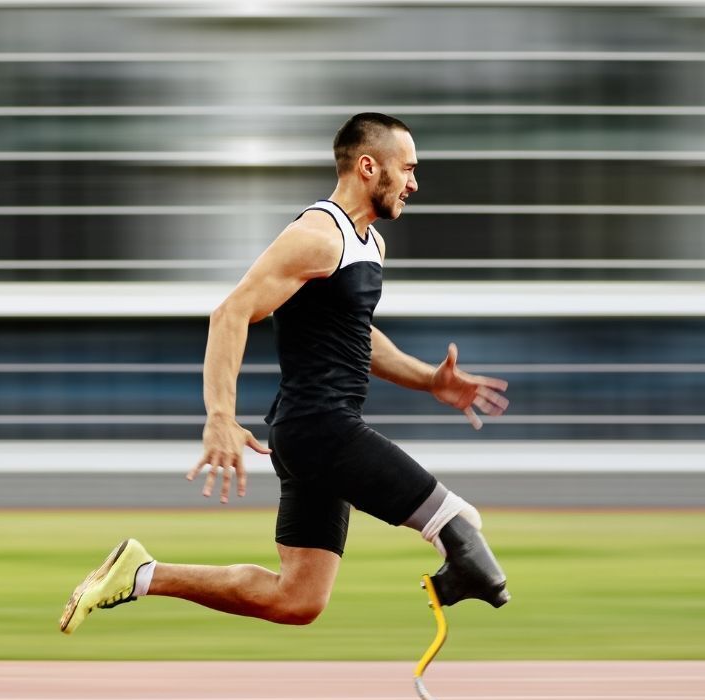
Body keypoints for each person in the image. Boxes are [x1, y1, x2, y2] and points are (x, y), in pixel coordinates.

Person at [60, 112, 511, 635]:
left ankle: (140, 574)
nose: (414, 183)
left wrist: (430, 379)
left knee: (297, 600)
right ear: (369, 166)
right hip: (323, 430)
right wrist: (220, 417)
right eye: (407, 169)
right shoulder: (317, 236)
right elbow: (230, 312)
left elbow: (357, 338)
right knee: (460, 525)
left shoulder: (370, 245)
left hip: (312, 433)